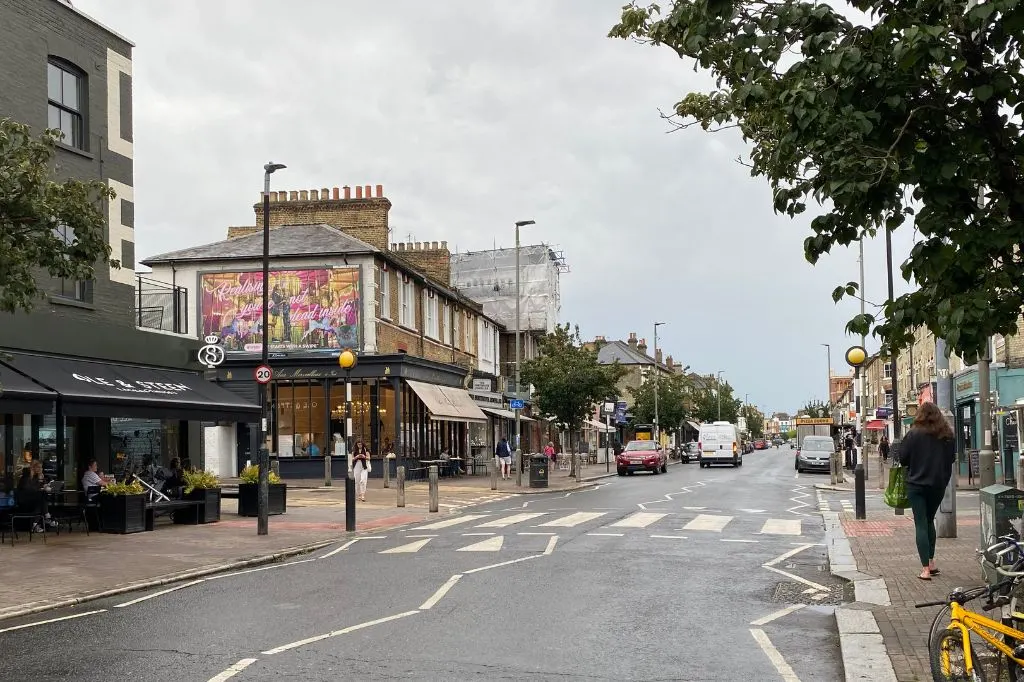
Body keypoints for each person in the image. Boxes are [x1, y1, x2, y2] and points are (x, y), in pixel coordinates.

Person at [896, 402, 956, 580]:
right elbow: (951, 459)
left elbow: (903, 459)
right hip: (937, 485)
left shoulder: (913, 434)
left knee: (921, 524)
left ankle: (925, 569)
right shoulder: (947, 436)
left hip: (916, 485)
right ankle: (930, 561)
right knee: (930, 521)